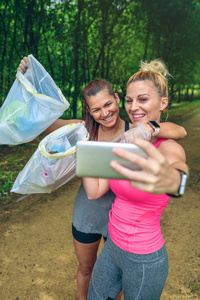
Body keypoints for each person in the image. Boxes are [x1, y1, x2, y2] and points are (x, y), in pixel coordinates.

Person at [17, 58, 187, 300]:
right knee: (88, 269)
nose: (104, 113)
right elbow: (47, 124)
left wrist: (172, 176)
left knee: (113, 283)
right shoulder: (84, 130)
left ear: (116, 99)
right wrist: (30, 81)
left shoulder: (134, 130)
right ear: (89, 111)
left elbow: (177, 133)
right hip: (92, 213)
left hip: (117, 221)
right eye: (96, 109)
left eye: (109, 104)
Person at [82, 59, 189, 300]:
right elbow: (94, 190)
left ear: (163, 103)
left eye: (142, 99)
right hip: (111, 249)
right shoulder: (127, 143)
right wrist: (82, 155)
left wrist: (174, 182)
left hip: (144, 259)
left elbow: (177, 169)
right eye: (129, 101)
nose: (133, 107)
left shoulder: (166, 146)